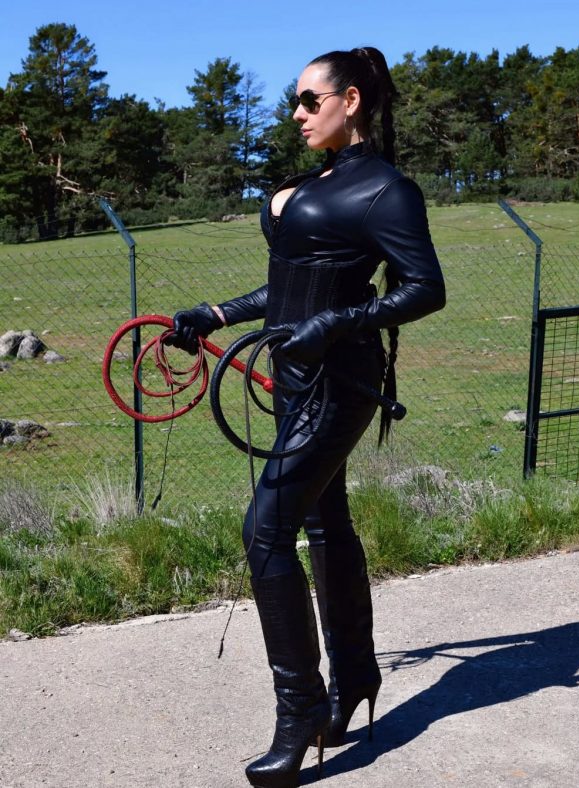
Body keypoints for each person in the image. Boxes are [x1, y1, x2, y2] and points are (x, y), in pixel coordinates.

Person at [167, 47, 445, 787]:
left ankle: (301, 711)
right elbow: (290, 289)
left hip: (340, 383)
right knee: (325, 524)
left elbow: (425, 288)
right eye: (295, 100)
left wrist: (339, 324)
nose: (296, 113)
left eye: (308, 100)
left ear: (350, 101)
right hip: (293, 376)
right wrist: (215, 314)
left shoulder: (387, 190)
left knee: (265, 530)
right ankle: (355, 675)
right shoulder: (317, 183)